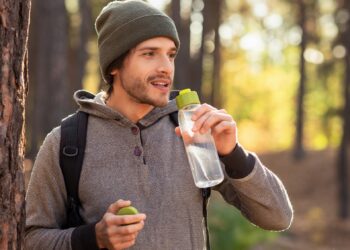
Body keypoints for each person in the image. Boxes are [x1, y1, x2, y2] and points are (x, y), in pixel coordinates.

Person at [25, 0, 293, 249]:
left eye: (171, 54)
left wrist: (233, 153)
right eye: (150, 54)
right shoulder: (66, 142)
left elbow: (278, 217)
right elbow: (31, 238)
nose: (166, 67)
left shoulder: (194, 131)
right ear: (114, 65)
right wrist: (93, 237)